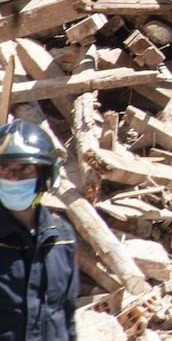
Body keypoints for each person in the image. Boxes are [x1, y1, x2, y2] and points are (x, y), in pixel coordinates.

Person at [0, 119, 78, 341]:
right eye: (5, 168)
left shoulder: (62, 238)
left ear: (44, 176)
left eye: (24, 168)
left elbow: (67, 314)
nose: (13, 177)